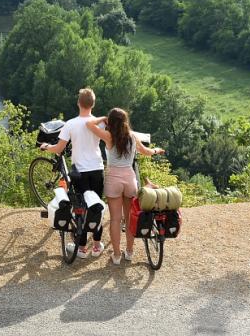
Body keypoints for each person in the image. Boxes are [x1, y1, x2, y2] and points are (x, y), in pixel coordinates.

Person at [86, 108, 165, 265]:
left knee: (115, 220)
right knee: (129, 219)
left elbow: (89, 124)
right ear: (125, 122)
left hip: (113, 180)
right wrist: (157, 150)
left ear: (111, 122)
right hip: (130, 179)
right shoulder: (132, 136)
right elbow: (147, 151)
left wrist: (102, 118)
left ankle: (116, 255)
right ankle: (129, 252)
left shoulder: (109, 136)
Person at [40, 88, 106, 258]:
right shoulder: (100, 123)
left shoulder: (70, 124)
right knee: (96, 207)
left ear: (78, 103)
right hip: (98, 169)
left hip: (80, 172)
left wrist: (46, 147)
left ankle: (82, 248)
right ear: (93, 103)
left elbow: (59, 148)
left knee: (81, 209)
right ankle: (97, 246)